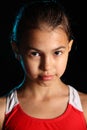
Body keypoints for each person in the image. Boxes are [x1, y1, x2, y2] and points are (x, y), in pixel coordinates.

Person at [0, 0, 87, 129]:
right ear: (16, 49)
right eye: (35, 54)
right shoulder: (3, 111)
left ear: (69, 47)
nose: (46, 66)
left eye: (57, 52)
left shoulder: (85, 107)